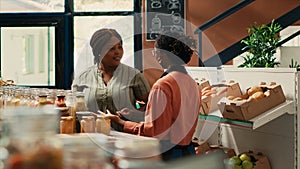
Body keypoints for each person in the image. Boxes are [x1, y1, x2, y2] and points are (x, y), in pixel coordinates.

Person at [104, 31, 201, 161]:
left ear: (162, 55)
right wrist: (135, 114)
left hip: (167, 155)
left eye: (155, 52)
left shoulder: (163, 85)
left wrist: (121, 122)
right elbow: (173, 117)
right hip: (188, 153)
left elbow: (155, 132)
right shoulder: (192, 83)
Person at [72, 28, 150, 131]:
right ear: (99, 52)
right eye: (111, 49)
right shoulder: (82, 78)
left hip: (125, 138)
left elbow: (151, 105)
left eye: (120, 47)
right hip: (91, 137)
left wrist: (135, 113)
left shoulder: (134, 75)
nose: (117, 52)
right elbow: (73, 110)